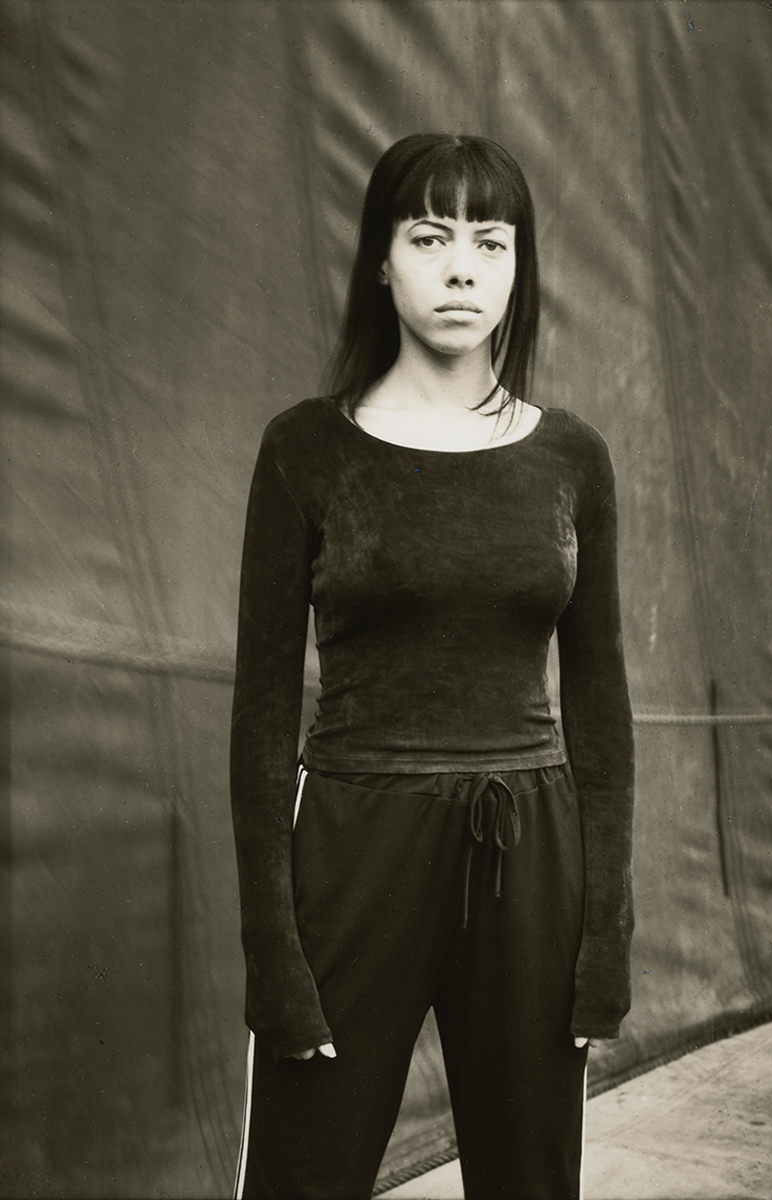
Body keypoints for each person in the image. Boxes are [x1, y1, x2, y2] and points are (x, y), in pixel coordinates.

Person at [229, 132, 634, 1200]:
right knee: (302, 1177)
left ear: (517, 266)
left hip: (530, 856)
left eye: (490, 243)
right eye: (429, 235)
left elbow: (598, 706)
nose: (461, 267)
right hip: (357, 847)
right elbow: (264, 713)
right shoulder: (305, 450)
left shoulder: (569, 459)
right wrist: (271, 948)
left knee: (528, 1182)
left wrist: (606, 935)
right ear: (381, 260)